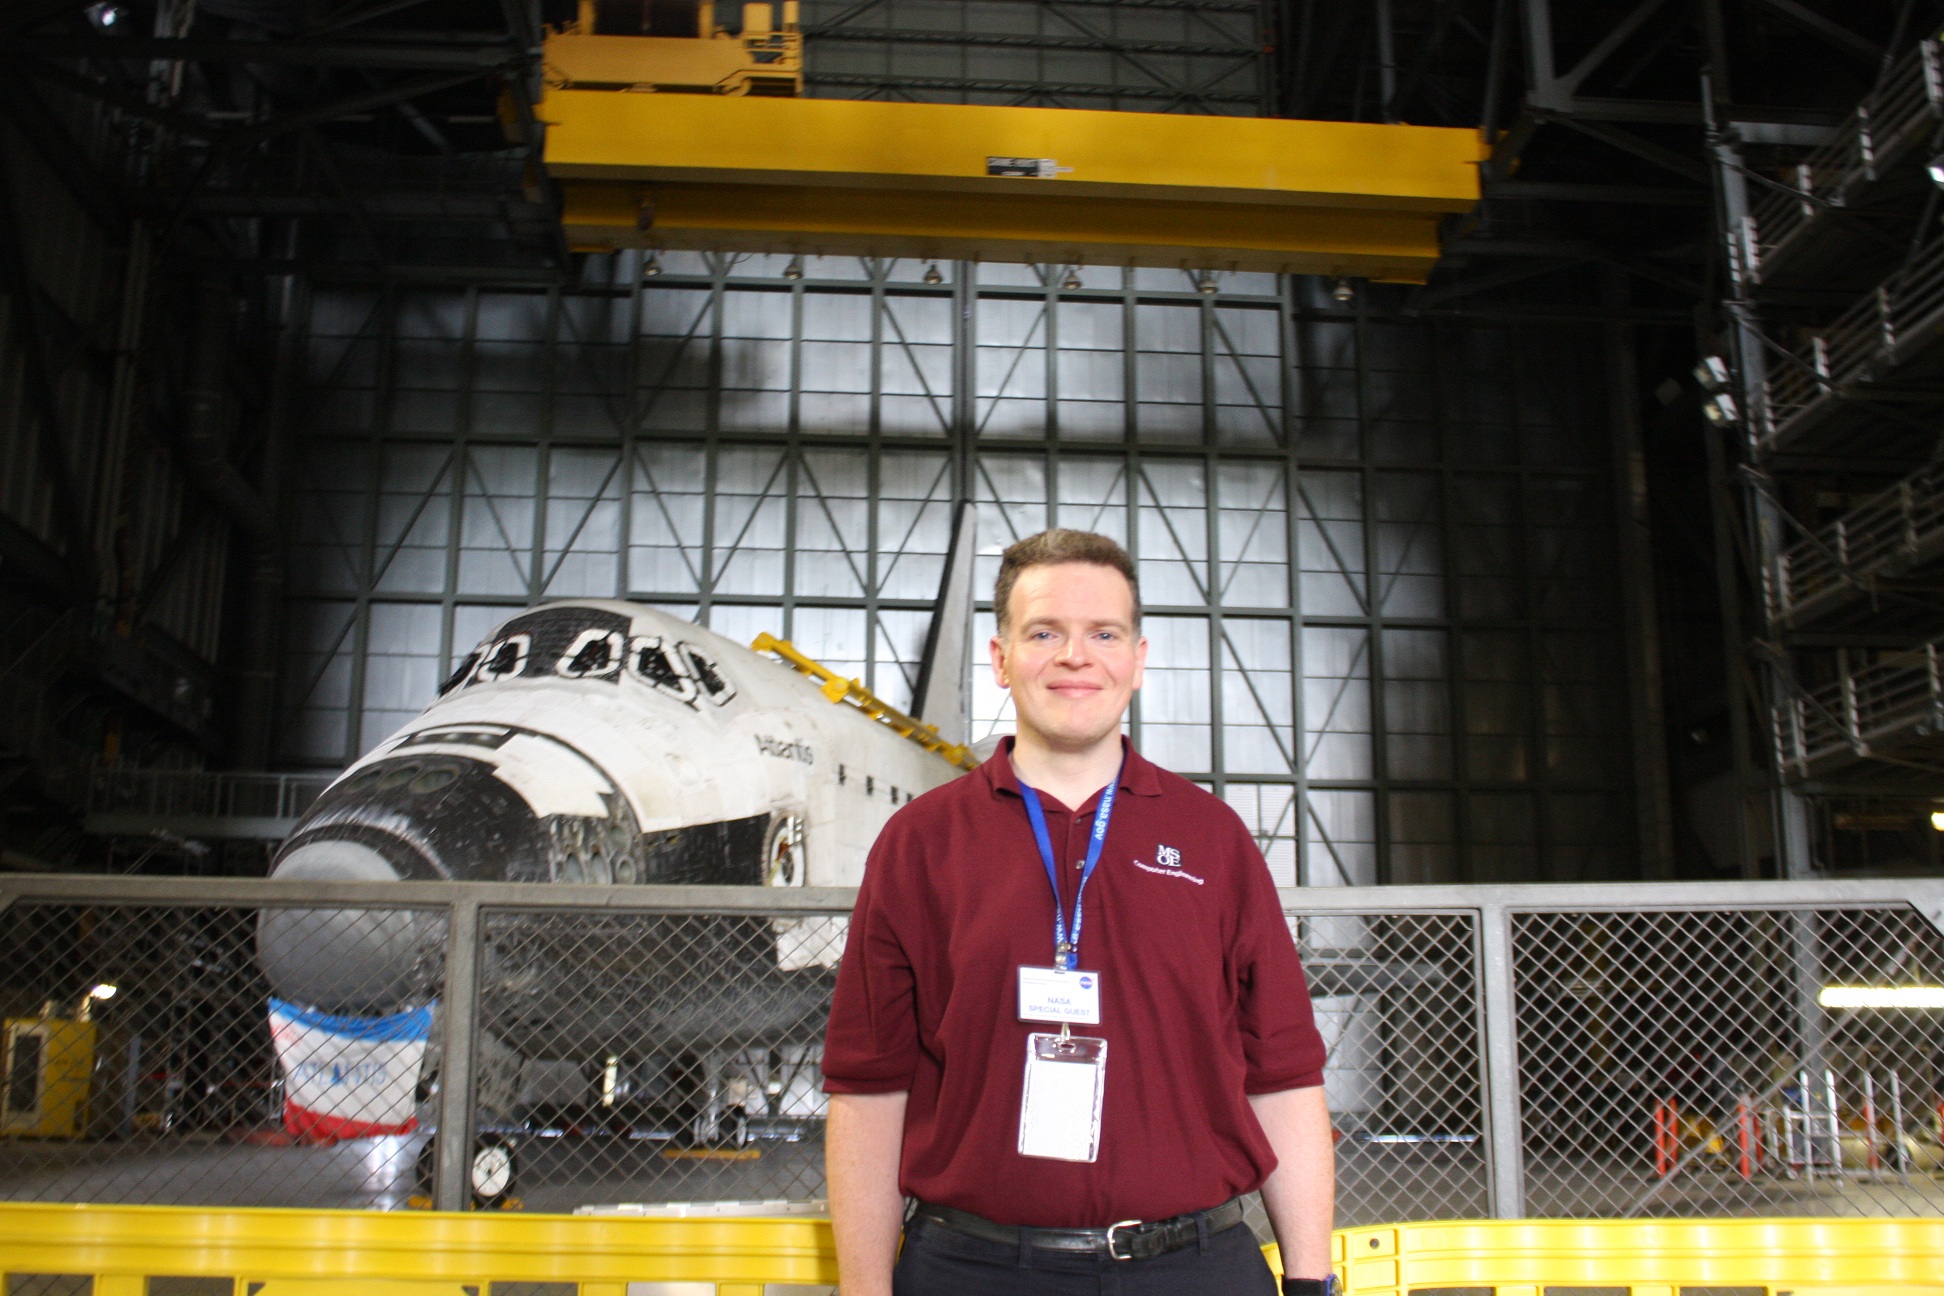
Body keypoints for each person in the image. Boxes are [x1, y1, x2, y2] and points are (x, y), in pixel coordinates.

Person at [822, 528, 1336, 1296]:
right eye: (1043, 633)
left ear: (1137, 659)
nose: (1075, 656)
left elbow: (1284, 1076)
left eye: (1103, 633)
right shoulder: (920, 843)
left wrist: (1309, 1282)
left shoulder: (1213, 838)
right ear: (1000, 658)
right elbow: (870, 1089)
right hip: (973, 1269)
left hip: (1193, 1268)